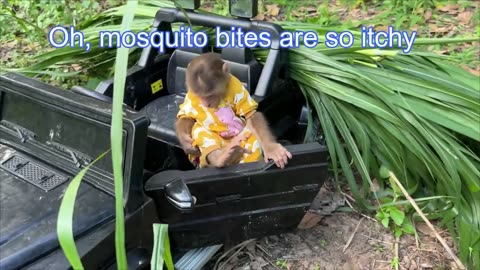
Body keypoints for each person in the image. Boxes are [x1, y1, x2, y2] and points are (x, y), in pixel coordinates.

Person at [175, 52, 292, 169]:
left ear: (225, 72)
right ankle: (219, 158)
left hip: (237, 136)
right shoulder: (195, 89)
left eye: (210, 96)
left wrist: (269, 145)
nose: (205, 103)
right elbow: (186, 116)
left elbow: (252, 116)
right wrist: (183, 134)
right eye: (199, 96)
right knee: (198, 130)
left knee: (252, 135)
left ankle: (247, 168)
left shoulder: (233, 87)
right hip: (212, 139)